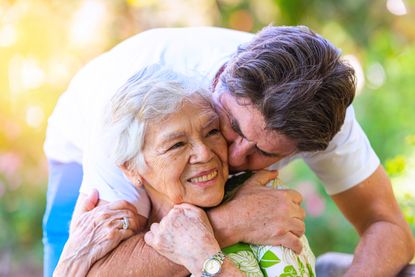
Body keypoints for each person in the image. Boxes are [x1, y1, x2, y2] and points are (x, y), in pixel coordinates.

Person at [43, 25, 414, 277]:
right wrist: (229, 223)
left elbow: (387, 226)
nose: (234, 159)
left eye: (265, 153)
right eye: (231, 128)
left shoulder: (325, 116)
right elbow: (96, 272)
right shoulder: (129, 117)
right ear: (219, 79)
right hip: (83, 144)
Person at [55, 66, 316, 277]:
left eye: (212, 131)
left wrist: (208, 263)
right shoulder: (109, 238)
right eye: (177, 145)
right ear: (131, 168)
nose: (204, 153)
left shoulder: (263, 203)